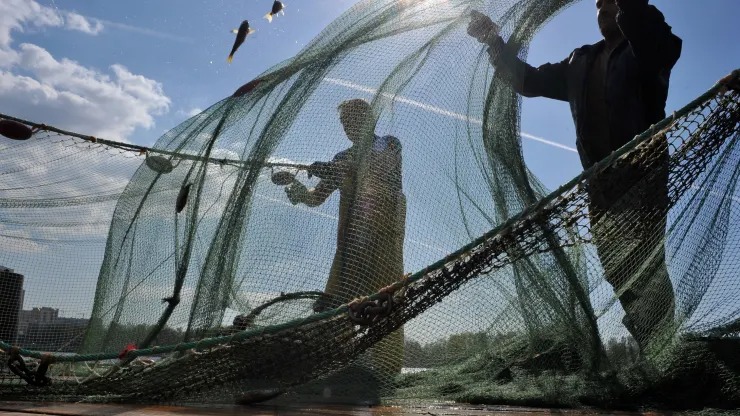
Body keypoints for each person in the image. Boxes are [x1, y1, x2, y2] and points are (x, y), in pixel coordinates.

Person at [467, 0, 682, 352]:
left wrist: (631, 6)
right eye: (600, 4)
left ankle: (664, 348)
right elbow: (529, 81)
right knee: (619, 269)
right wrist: (494, 42)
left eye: (613, 1)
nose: (605, 6)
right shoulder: (579, 61)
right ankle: (651, 344)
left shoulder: (651, 41)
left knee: (647, 266)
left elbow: (652, 40)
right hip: (599, 186)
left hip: (643, 174)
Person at [283, 98, 406, 401]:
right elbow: (316, 197)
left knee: (387, 304)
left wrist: (335, 167)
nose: (349, 126)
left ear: (371, 121)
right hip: (349, 245)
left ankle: (387, 376)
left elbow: (377, 170)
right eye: (345, 122)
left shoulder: (388, 145)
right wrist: (296, 189)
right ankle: (336, 366)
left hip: (383, 242)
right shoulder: (341, 156)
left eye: (355, 119)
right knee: (336, 306)